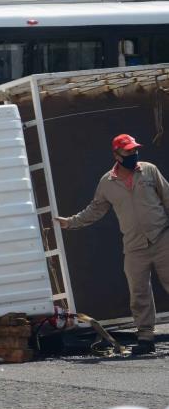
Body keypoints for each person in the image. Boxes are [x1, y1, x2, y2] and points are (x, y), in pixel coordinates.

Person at [54, 134, 169, 355]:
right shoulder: (107, 182)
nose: (133, 155)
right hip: (134, 245)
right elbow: (95, 209)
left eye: (135, 150)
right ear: (116, 154)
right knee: (139, 293)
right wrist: (70, 223)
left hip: (162, 237)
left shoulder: (149, 170)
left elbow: (167, 197)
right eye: (128, 152)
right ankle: (146, 338)